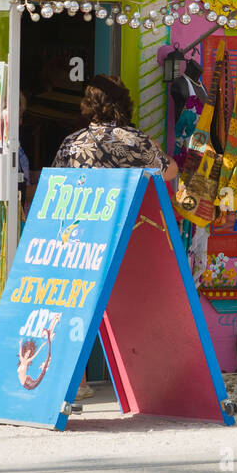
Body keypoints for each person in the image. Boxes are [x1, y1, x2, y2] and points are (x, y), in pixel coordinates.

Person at [51, 74, 177, 398]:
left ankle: (74, 383)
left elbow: (57, 187)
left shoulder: (71, 142)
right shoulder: (135, 141)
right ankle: (143, 381)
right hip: (125, 235)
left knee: (76, 304)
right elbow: (169, 172)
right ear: (125, 104)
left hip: (80, 236)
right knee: (137, 303)